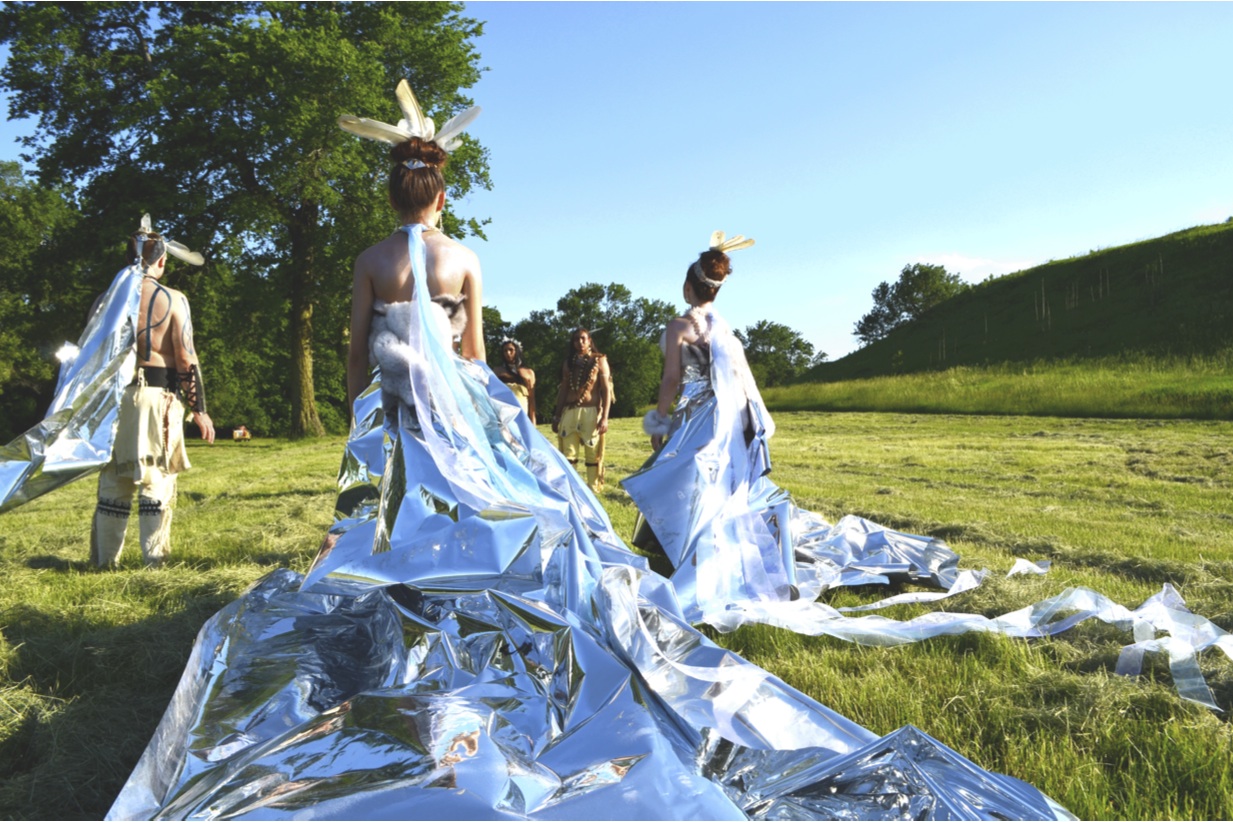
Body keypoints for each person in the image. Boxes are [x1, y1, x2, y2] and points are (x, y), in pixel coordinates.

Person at [107, 89, 1066, 821]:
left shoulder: (368, 260)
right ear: (442, 188)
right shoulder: (462, 260)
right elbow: (475, 353)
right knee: (498, 504)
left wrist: (371, 397)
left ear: (393, 185)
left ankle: (404, 595)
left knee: (394, 518)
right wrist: (483, 408)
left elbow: (360, 349)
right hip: (457, 413)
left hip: (394, 411)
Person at [90, 229, 215, 568]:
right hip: (157, 397)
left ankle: (104, 564)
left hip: (113, 400)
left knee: (115, 479)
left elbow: (90, 357)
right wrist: (199, 410)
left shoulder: (106, 301)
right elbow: (186, 358)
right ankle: (154, 563)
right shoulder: (173, 299)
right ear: (161, 259)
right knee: (156, 479)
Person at [551, 328, 611, 493]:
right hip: (569, 412)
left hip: (591, 413)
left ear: (590, 340)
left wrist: (604, 417)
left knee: (593, 456)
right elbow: (563, 390)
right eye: (576, 339)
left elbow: (606, 390)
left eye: (583, 339)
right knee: (568, 456)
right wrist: (557, 416)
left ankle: (593, 490)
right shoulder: (568, 363)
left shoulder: (600, 361)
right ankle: (570, 490)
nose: (580, 342)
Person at [494, 337, 536, 423]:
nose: (508, 353)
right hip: (503, 414)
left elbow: (532, 400)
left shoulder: (528, 373)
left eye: (511, 350)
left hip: (522, 412)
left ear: (517, 351)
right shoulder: (497, 371)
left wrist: (533, 421)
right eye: (505, 351)